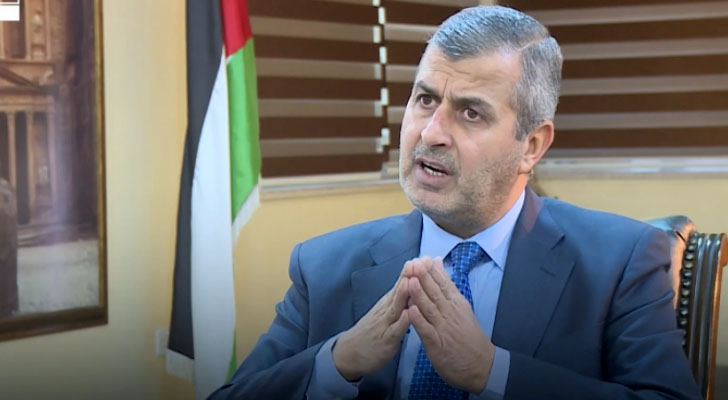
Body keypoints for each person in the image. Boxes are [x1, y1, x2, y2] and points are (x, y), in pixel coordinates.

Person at [209, 5, 700, 399]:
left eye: (470, 112)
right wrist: (338, 362)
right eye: (425, 100)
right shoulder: (323, 267)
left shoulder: (620, 262)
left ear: (531, 145)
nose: (431, 133)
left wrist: (493, 372)